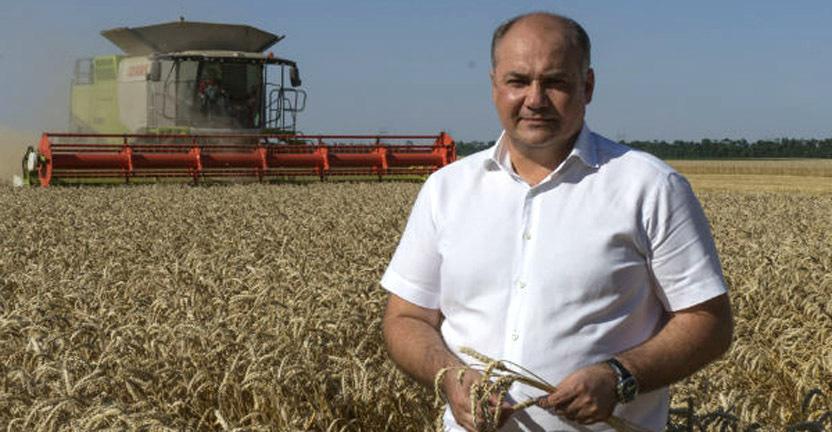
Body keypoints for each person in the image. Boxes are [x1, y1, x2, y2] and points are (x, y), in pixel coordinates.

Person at [381, 11, 733, 432]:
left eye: (555, 82)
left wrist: (620, 376)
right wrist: (448, 375)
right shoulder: (446, 189)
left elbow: (709, 321)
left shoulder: (650, 187)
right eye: (518, 81)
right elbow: (406, 318)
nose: (535, 99)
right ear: (494, 85)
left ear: (588, 86)